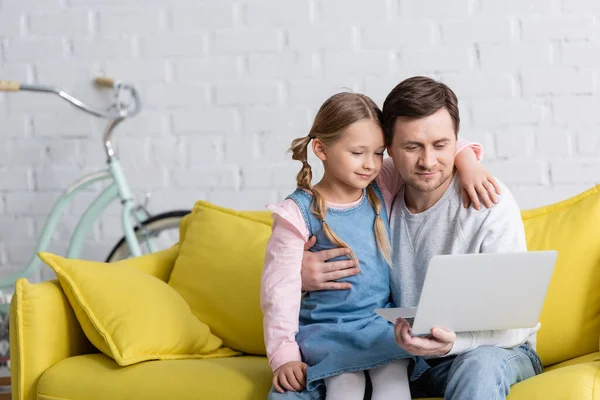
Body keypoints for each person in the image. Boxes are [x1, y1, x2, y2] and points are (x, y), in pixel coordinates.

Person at [301, 76, 543, 400]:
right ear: (388, 148)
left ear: (455, 140)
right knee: (327, 374)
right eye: (412, 147)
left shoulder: (488, 202)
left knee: (479, 367)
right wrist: (297, 272)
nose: (427, 161)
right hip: (404, 356)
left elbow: (516, 324)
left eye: (441, 146)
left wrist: (454, 342)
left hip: (490, 350)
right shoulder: (377, 195)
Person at [261, 91, 496, 400]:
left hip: (379, 325)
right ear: (321, 149)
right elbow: (278, 292)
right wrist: (284, 355)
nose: (370, 164)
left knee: (394, 383)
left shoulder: (379, 184)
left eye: (377, 153)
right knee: (345, 387)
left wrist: (468, 163)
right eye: (357, 152)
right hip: (328, 330)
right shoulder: (296, 213)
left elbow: (435, 144)